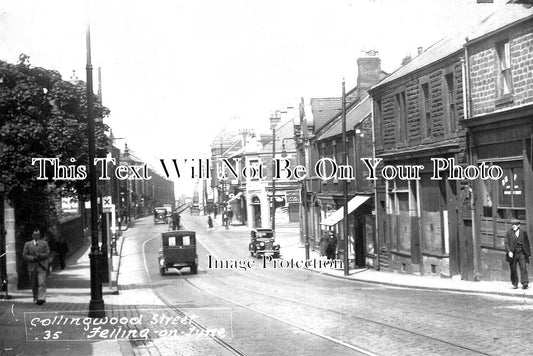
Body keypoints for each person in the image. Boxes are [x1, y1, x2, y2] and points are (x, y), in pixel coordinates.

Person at [23, 230, 50, 305]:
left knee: (42, 282)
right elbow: (24, 255)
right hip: (32, 266)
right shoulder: (27, 244)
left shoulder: (44, 243)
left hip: (41, 266)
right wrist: (32, 258)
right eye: (35, 235)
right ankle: (36, 297)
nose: (36, 237)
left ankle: (41, 298)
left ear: (40, 236)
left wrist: (40, 255)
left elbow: (47, 253)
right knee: (34, 283)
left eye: (38, 235)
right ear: (32, 236)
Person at [505, 219, 531, 289]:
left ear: (519, 225)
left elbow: (527, 243)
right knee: (513, 269)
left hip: (522, 253)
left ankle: (525, 283)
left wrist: (528, 253)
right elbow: (506, 243)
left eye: (515, 225)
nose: (513, 226)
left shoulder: (523, 232)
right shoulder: (508, 232)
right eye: (512, 225)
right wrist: (509, 252)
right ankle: (515, 284)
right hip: (512, 254)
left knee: (523, 267)